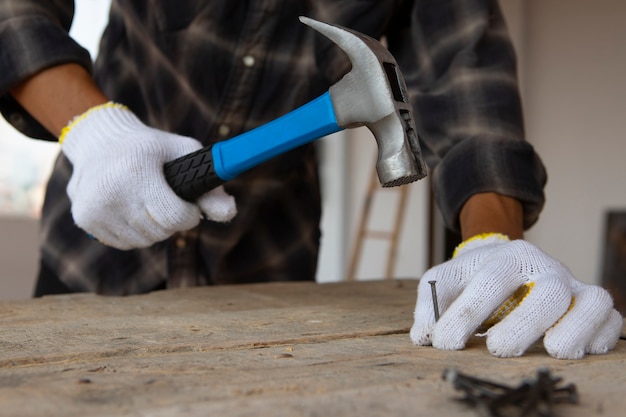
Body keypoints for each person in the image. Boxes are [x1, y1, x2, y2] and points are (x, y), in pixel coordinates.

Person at [0, 0, 621, 359]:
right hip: (95, 238)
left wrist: (492, 243)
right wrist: (92, 128)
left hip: (264, 273)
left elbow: (469, 81)